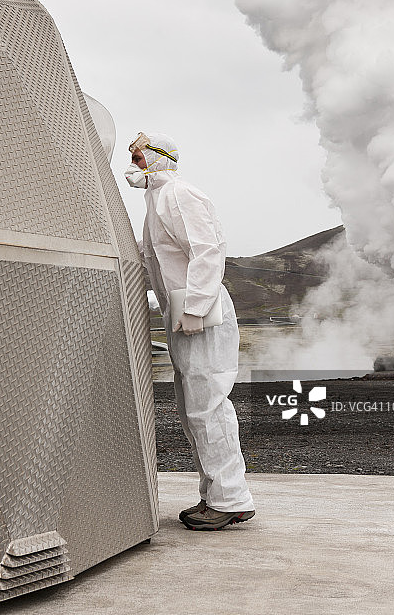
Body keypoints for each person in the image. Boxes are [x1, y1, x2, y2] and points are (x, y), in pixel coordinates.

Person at [125, 132, 254, 531]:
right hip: (184, 316)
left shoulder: (178, 194)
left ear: (160, 159)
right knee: (194, 410)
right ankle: (215, 496)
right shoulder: (156, 202)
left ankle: (230, 499)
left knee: (208, 407)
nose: (135, 164)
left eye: (140, 156)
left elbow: (209, 249)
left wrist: (196, 307)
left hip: (201, 316)